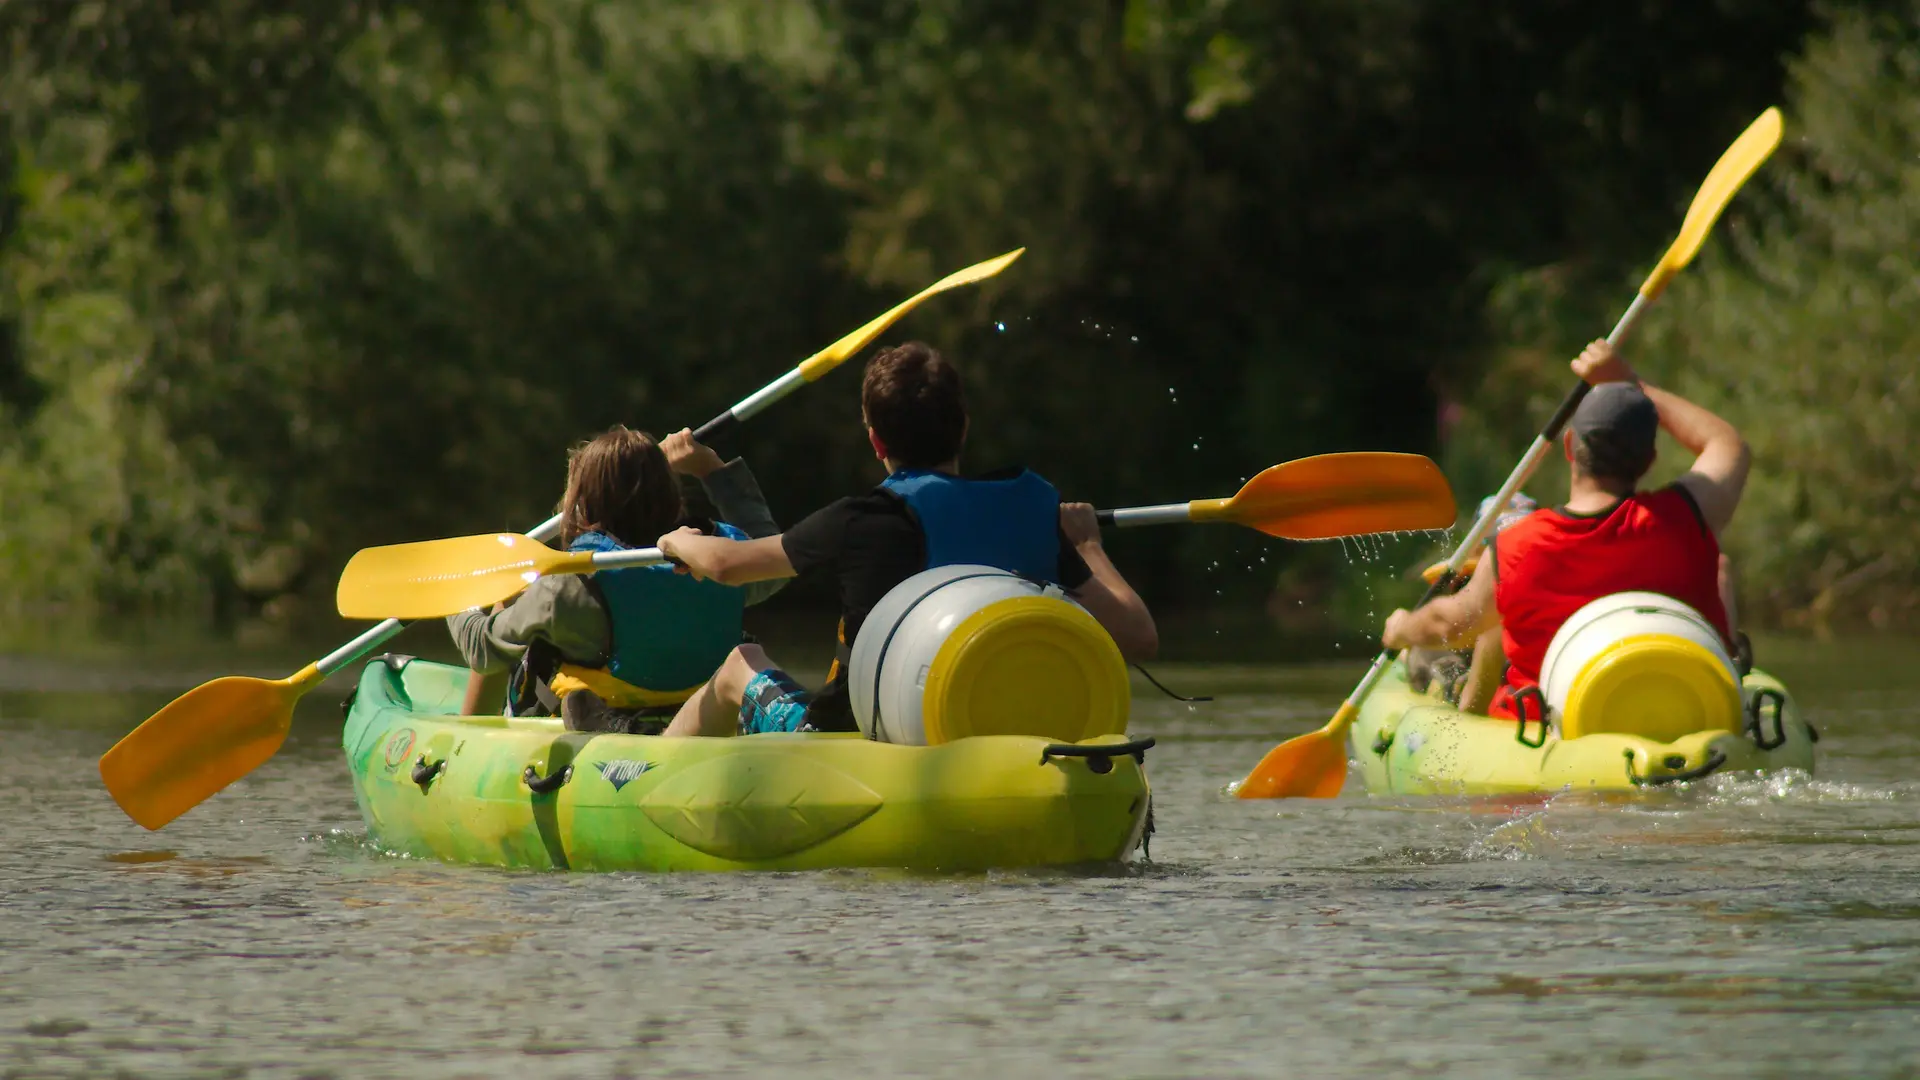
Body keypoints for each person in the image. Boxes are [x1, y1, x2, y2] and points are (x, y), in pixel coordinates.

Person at [652, 341, 1158, 738]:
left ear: (875, 441)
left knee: (742, 662)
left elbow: (726, 564)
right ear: (963, 427)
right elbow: (1138, 637)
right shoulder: (1034, 510)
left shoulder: (863, 518)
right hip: (1004, 720)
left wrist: (677, 540)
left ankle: (641, 778)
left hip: (861, 730)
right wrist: (1089, 545)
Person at [1381, 338, 1749, 719]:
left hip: (1554, 732)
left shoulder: (1515, 546)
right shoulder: (1686, 516)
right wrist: (1628, 381)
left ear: (1570, 446)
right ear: (1650, 460)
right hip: (1690, 713)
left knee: (1463, 637)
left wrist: (1404, 627)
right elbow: (1727, 444)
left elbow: (1452, 623)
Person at [446, 425, 783, 732]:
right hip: (703, 718)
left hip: (609, 731)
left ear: (585, 501)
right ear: (669, 492)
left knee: (509, 603)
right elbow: (767, 549)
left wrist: (457, 593)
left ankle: (465, 744)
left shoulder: (573, 583)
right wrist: (710, 468)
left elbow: (482, 648)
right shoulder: (719, 562)